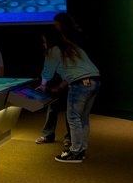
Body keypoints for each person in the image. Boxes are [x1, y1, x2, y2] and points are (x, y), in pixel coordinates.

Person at [36, 26, 101, 163]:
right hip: (95, 81)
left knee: (73, 118)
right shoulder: (72, 48)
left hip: (79, 85)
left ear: (49, 40)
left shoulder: (53, 50)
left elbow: (48, 71)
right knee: (83, 118)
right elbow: (75, 71)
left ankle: (75, 152)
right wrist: (59, 88)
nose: (43, 44)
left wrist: (43, 85)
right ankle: (81, 150)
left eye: (44, 41)